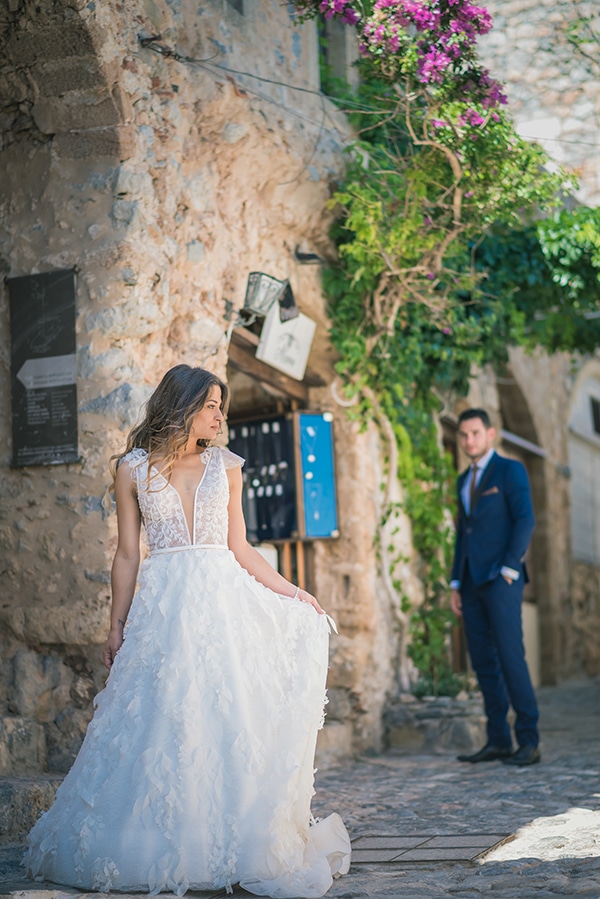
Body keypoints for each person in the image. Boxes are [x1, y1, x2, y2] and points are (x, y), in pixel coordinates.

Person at [24, 364, 351, 897]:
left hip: (221, 607)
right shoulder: (132, 469)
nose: (220, 414)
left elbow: (240, 548)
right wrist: (116, 624)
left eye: (221, 404)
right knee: (161, 717)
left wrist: (294, 592)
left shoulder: (227, 466)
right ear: (183, 405)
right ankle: (157, 841)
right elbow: (128, 554)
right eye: (211, 404)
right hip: (162, 611)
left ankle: (234, 837)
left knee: (223, 717)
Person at [450, 408, 540, 767]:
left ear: (490, 434)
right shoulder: (462, 481)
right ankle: (498, 740)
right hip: (470, 582)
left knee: (510, 657)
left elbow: (525, 519)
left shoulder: (509, 470)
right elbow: (463, 534)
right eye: (463, 435)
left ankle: (529, 741)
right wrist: (456, 582)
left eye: (474, 433)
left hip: (502, 580)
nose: (468, 440)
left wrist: (509, 567)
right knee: (484, 662)